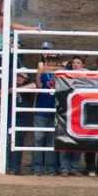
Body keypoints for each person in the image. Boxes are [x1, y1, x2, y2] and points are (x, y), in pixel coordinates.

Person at [32, 42, 60, 176]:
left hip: (56, 109)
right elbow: (38, 85)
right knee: (39, 139)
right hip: (42, 108)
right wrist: (39, 72)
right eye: (50, 59)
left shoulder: (61, 72)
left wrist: (55, 69)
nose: (52, 62)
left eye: (54, 60)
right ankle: (37, 167)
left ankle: (51, 168)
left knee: (51, 140)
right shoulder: (41, 71)